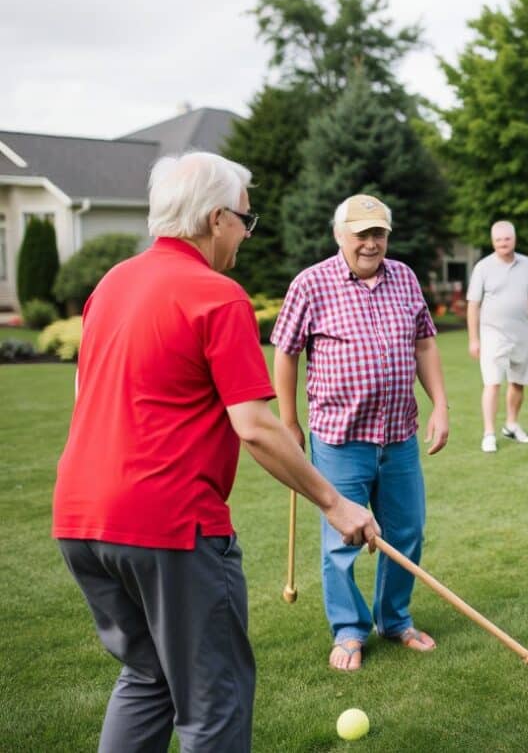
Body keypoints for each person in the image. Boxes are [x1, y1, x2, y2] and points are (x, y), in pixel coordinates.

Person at [53, 152, 379, 753]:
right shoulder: (216, 294)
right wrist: (337, 505)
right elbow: (253, 425)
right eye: (245, 221)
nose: (245, 236)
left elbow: (85, 397)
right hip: (169, 526)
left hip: (79, 520)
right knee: (214, 701)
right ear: (214, 219)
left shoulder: (111, 285)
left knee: (148, 676)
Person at [272, 193, 450, 672]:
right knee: (341, 542)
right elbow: (286, 352)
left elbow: (425, 343)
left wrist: (441, 405)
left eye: (379, 234)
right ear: (339, 235)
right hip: (339, 439)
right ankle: (349, 630)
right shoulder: (310, 284)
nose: (371, 243)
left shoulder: (406, 278)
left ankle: (394, 619)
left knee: (407, 533)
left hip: (399, 437)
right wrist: (289, 420)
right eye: (362, 234)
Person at [467, 220, 528, 452]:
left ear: (514, 239)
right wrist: (473, 338)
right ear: (493, 242)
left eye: (507, 239)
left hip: (521, 331)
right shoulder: (483, 267)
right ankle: (489, 433)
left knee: (518, 382)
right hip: (492, 333)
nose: (503, 243)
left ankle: (511, 425)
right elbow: (473, 304)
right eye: (499, 239)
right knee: (492, 383)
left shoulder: (527, 264)